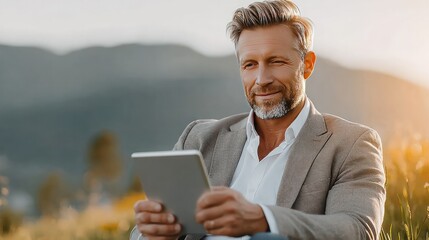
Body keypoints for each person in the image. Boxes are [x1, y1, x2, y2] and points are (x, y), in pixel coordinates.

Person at [131, 0, 386, 239]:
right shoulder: (199, 138)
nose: (261, 79)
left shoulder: (350, 144)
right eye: (250, 65)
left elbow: (358, 229)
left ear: (307, 64)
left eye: (275, 61)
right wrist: (152, 234)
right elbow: (141, 232)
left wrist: (263, 219)